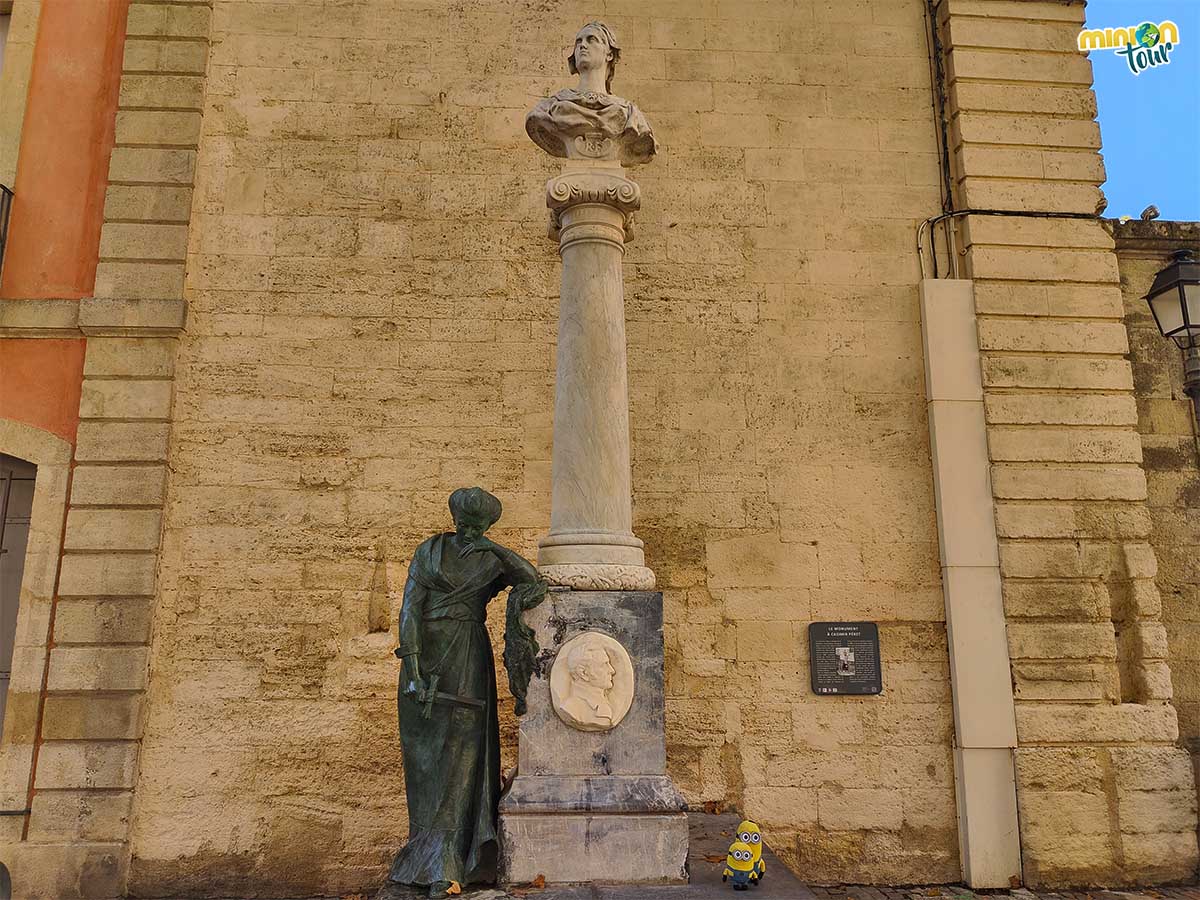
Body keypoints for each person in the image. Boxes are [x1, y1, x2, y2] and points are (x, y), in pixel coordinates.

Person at [388, 487, 544, 899]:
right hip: (424, 659)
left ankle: (450, 863)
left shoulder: (491, 560)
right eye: (464, 524)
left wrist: (495, 549)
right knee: (425, 763)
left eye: (478, 527)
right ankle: (425, 855)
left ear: (488, 526)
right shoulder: (430, 552)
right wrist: (413, 670)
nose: (469, 532)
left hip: (468, 658)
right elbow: (410, 609)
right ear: (454, 519)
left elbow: (531, 579)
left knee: (463, 756)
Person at [525, 21, 657, 166]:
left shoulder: (630, 113)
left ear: (609, 54)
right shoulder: (549, 107)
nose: (582, 45)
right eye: (578, 42)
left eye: (591, 40)